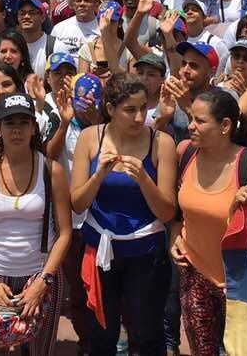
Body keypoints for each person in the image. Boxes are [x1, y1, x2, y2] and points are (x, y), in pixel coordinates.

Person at [71, 76, 177, 356]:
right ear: (110, 109)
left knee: (147, 332)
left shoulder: (161, 142)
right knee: (102, 333)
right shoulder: (89, 138)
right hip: (100, 253)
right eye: (130, 110)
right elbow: (78, 204)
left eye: (143, 108)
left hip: (146, 253)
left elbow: (167, 211)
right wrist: (98, 176)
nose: (140, 117)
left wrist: (144, 179)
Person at [0, 93, 74, 356]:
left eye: (24, 122)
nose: (17, 130)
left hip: (40, 276)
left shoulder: (51, 170)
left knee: (39, 350)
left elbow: (65, 233)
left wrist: (43, 282)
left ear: (33, 128)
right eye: (9, 122)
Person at [170, 90, 247, 356]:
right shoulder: (184, 153)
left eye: (200, 121)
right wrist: (174, 238)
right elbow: (177, 214)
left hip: (242, 284)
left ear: (225, 126)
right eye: (191, 118)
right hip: (194, 275)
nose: (191, 126)